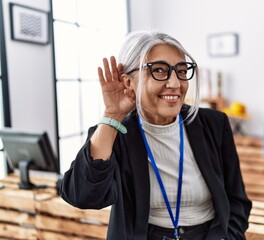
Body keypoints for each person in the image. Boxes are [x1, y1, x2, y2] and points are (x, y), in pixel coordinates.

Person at [60, 30, 252, 240]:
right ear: (128, 82)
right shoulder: (116, 132)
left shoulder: (214, 124)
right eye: (159, 70)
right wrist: (112, 115)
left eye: (181, 70)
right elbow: (82, 196)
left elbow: (237, 202)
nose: (175, 83)